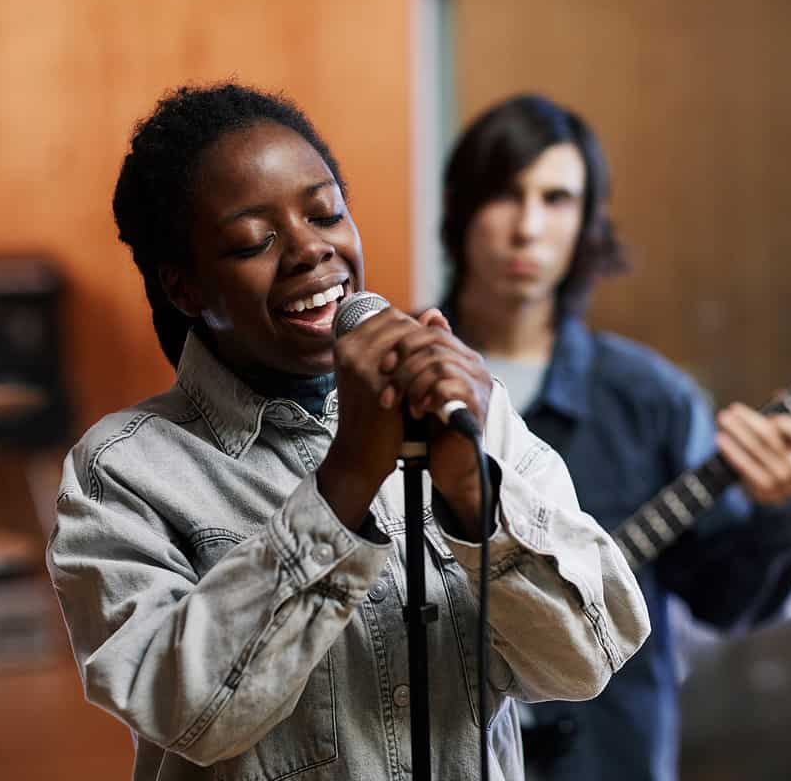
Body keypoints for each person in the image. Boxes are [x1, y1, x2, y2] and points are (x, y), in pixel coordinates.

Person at [46, 83, 650, 781]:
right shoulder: (123, 471)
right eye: (253, 240)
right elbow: (189, 712)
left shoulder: (467, 405)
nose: (309, 249)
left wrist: (471, 496)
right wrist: (347, 479)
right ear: (185, 288)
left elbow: (584, 663)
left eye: (326, 213)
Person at [439, 94, 791, 781]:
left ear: (587, 222)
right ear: (461, 207)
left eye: (556, 199)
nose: (528, 227)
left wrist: (779, 507)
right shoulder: (387, 381)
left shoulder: (651, 400)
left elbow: (727, 600)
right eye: (505, 195)